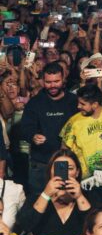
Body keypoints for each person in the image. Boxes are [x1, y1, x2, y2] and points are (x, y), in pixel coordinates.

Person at [18, 63, 78, 196]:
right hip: (41, 162)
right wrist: (33, 136)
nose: (52, 85)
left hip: (65, 161)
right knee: (39, 200)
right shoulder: (35, 103)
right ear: (42, 81)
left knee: (64, 200)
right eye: (48, 82)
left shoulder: (74, 101)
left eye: (56, 81)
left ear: (63, 79)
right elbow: (25, 128)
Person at [15, 149, 92, 235]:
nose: (65, 173)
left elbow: (95, 227)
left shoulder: (89, 198)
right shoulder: (36, 199)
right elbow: (25, 225)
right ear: (50, 172)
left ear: (77, 172)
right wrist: (46, 195)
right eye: (58, 168)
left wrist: (80, 197)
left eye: (70, 168)